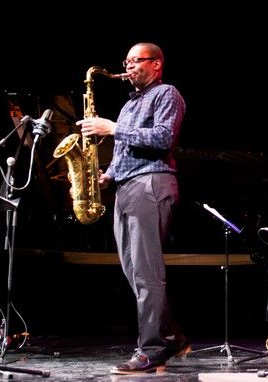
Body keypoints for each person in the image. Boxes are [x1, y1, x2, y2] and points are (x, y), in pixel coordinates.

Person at [77, 42, 188, 374]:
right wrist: (107, 176)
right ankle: (173, 337)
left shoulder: (167, 93)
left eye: (135, 61)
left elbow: (163, 138)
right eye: (125, 61)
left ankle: (152, 348)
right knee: (134, 271)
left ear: (156, 64)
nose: (128, 67)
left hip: (151, 182)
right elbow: (126, 151)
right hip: (127, 187)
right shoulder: (130, 105)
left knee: (146, 272)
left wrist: (112, 128)